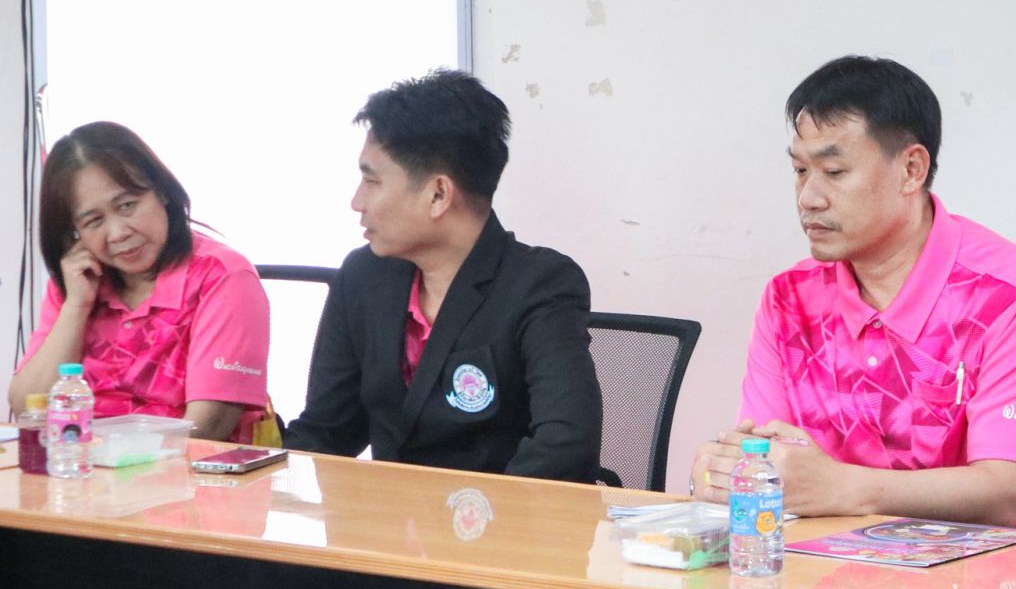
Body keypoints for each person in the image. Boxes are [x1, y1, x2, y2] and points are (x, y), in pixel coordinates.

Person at [691, 56, 1016, 531]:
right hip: (825, 568)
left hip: (1001, 571)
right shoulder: (790, 299)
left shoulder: (1015, 295)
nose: (808, 197)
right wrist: (722, 473)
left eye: (834, 171)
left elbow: (1002, 494)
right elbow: (765, 459)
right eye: (799, 170)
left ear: (911, 169)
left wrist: (841, 488)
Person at [283, 69, 602, 481]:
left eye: (371, 181)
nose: (356, 202)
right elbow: (327, 432)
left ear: (438, 194)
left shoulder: (540, 284)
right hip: (386, 519)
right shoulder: (363, 277)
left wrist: (474, 517)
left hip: (495, 517)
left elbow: (565, 446)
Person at [8, 122, 270, 442]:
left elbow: (207, 428)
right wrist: (76, 307)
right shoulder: (78, 281)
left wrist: (103, 458)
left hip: (183, 469)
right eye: (94, 220)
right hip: (78, 465)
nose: (118, 233)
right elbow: (27, 410)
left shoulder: (223, 277)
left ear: (162, 191)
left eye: (127, 205)